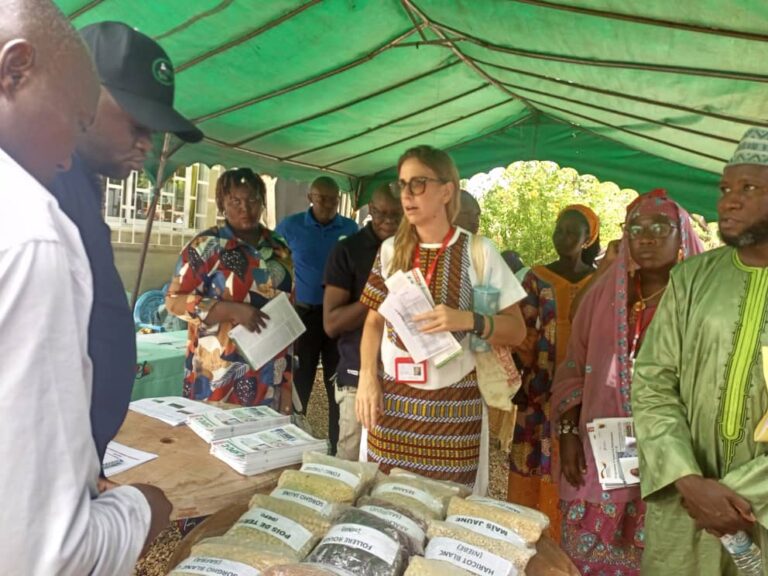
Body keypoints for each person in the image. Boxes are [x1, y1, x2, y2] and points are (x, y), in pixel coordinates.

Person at [0, 2, 171, 574]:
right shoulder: (34, 224)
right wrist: (139, 511)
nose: (70, 153)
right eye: (75, 120)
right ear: (15, 70)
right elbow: (42, 553)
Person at [52, 21, 203, 464]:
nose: (147, 143)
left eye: (153, 130)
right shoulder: (41, 192)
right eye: (137, 123)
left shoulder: (78, 187)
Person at [632, 130, 768, 574]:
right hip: (685, 507)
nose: (728, 201)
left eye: (749, 188)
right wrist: (688, 481)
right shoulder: (691, 277)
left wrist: (739, 496)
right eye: (726, 189)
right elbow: (653, 380)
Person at [356, 145, 527, 491]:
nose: (406, 194)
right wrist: (366, 379)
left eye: (418, 183)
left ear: (447, 190)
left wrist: (468, 320)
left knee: (448, 510)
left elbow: (517, 330)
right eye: (402, 184)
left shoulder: (480, 252)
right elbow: (374, 322)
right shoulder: (390, 251)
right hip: (392, 405)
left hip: (453, 410)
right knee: (384, 505)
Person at [550, 190, 703, 575]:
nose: (646, 236)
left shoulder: (701, 303)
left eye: (660, 227)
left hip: (674, 462)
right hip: (601, 455)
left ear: (682, 233)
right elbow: (573, 366)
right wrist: (568, 432)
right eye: (636, 228)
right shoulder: (603, 296)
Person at [507, 205, 600, 538]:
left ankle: (570, 540)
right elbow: (521, 328)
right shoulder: (536, 277)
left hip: (585, 392)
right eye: (559, 230)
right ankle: (526, 537)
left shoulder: (598, 281)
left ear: (587, 239)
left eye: (571, 232)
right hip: (539, 387)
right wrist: (521, 371)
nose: (562, 238)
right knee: (534, 458)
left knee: (576, 458)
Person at [166, 168, 293, 410]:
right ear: (222, 203)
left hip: (270, 369)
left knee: (265, 440)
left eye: (253, 199)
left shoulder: (279, 246)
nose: (245, 208)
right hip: (220, 374)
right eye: (235, 201)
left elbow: (287, 299)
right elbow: (173, 301)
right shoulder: (206, 246)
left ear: (262, 202)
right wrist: (232, 310)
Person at [276, 176, 357, 453]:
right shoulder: (291, 226)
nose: (327, 204)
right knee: (300, 382)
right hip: (304, 317)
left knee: (338, 382)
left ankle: (337, 448)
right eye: (321, 197)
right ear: (310, 197)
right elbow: (272, 265)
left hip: (338, 320)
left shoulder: (349, 228)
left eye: (333, 199)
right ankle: (295, 446)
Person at [323, 185, 403, 460]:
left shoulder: (413, 251)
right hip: (357, 376)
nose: (389, 222)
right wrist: (378, 297)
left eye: (397, 215)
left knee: (390, 473)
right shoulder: (349, 250)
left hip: (402, 379)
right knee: (351, 465)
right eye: (381, 214)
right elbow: (331, 323)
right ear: (370, 210)